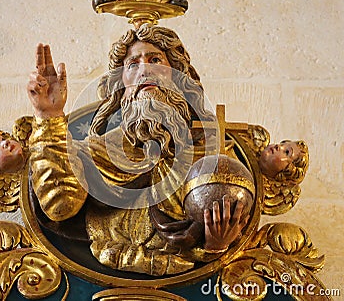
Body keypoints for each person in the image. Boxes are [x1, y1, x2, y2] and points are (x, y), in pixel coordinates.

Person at [27, 24, 250, 275]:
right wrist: (49, 117)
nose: (145, 69)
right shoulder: (96, 152)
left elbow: (232, 217)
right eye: (133, 65)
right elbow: (60, 206)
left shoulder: (211, 155)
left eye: (155, 60)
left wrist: (215, 246)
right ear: (122, 87)